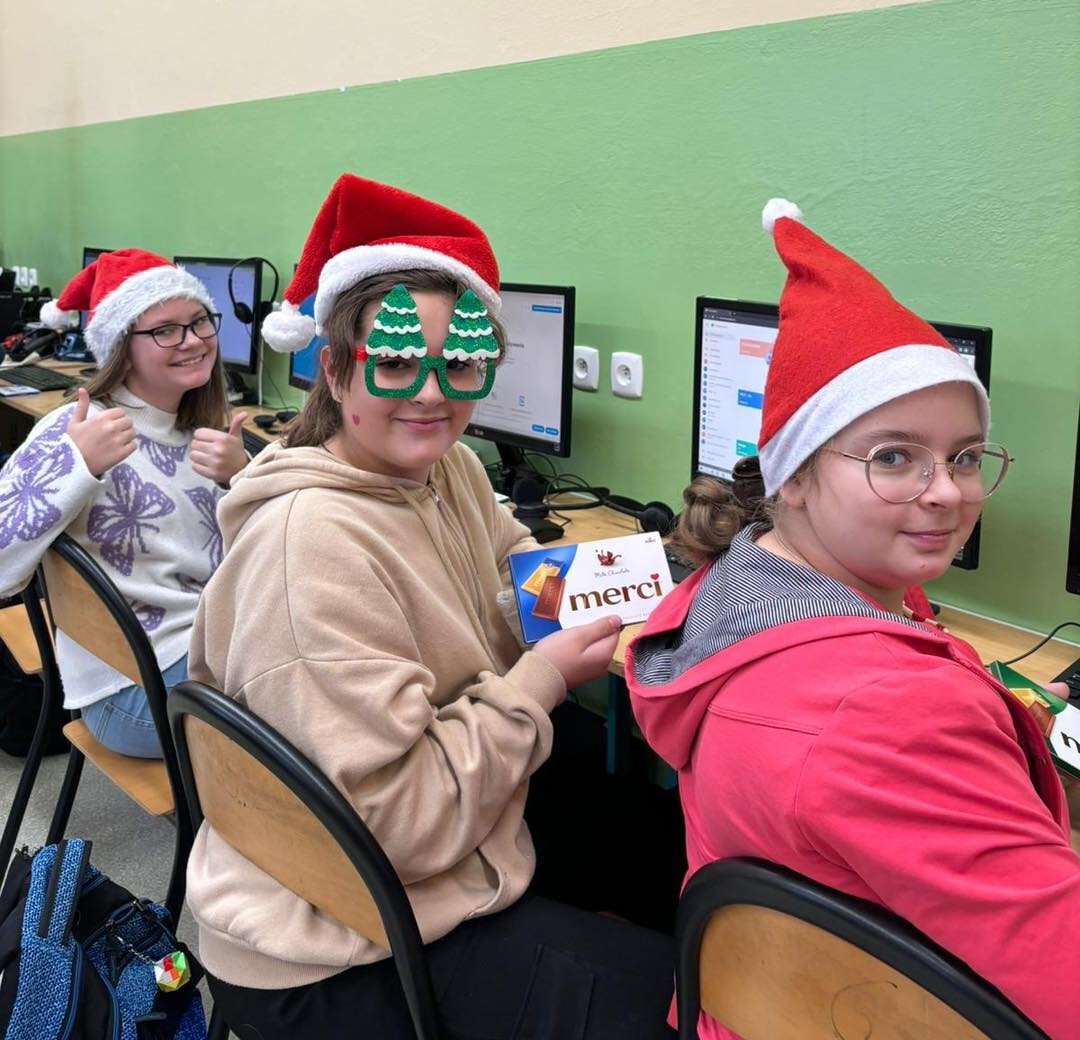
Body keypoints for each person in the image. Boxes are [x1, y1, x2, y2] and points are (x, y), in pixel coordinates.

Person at [185, 174, 675, 1040]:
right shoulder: (312, 547)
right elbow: (397, 825)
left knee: (678, 853)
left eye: (461, 364)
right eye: (397, 362)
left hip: (441, 814)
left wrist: (640, 581)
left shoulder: (444, 468)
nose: (432, 392)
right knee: (671, 999)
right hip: (337, 944)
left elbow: (518, 571)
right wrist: (541, 680)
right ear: (334, 369)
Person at [627, 199, 1080, 1040]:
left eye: (965, 456)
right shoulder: (889, 715)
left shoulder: (740, 582)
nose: (947, 493)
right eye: (894, 457)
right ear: (792, 477)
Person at [0, 249, 249, 758]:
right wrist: (75, 466)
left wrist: (240, 478)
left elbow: (248, 562)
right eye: (165, 331)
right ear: (121, 346)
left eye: (200, 321)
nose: (193, 340)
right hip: (132, 691)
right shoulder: (76, 430)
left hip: (200, 647)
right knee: (314, 705)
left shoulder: (200, 432)